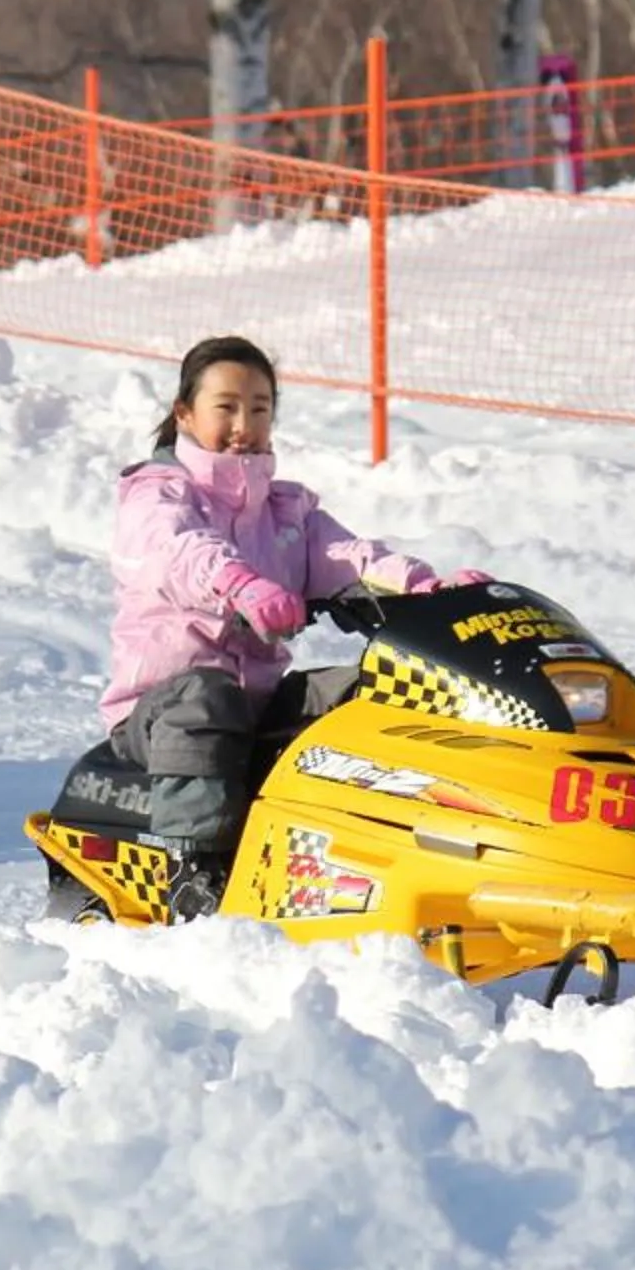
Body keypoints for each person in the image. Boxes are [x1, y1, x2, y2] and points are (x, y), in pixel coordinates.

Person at [99, 334, 489, 912]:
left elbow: (349, 557)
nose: (244, 423)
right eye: (226, 406)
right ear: (185, 413)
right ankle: (191, 867)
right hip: (158, 716)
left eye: (259, 408)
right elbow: (174, 550)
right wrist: (239, 584)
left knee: (371, 689)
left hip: (255, 705)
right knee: (205, 698)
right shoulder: (158, 493)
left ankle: (402, 849)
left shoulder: (286, 510)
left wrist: (425, 590)